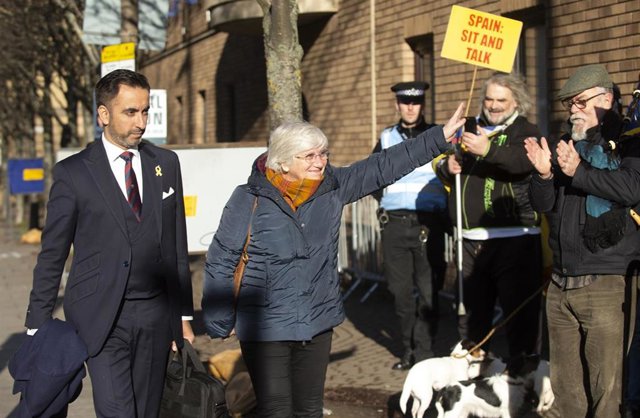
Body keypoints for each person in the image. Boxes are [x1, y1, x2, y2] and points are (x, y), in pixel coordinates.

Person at [202, 104, 466, 417]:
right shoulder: (249, 198)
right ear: (283, 162)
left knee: (310, 409)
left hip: (317, 321)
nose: (321, 162)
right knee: (276, 409)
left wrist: (438, 138)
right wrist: (220, 318)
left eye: (323, 153)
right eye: (310, 156)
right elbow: (221, 260)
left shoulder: (332, 187)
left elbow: (382, 166)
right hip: (265, 325)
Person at [24, 69, 195, 417]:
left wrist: (183, 318)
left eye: (145, 111)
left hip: (155, 315)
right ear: (103, 114)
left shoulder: (165, 163)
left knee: (148, 411)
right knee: (117, 411)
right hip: (101, 317)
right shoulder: (73, 173)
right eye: (130, 112)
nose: (141, 122)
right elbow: (53, 253)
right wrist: (37, 323)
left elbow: (176, 247)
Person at [525, 63, 640, 418]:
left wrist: (580, 172)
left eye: (579, 102)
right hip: (561, 282)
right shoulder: (565, 144)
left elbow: (632, 189)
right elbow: (544, 205)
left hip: (606, 281)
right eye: (568, 104)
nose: (572, 110)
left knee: (608, 396)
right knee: (567, 397)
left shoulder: (629, 140)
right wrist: (544, 174)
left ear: (606, 98)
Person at [435, 73, 543, 358]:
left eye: (501, 100)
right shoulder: (470, 128)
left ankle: (522, 382)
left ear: (517, 102)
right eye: (489, 99)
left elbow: (522, 162)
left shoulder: (527, 130)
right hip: (469, 240)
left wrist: (488, 150)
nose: (493, 106)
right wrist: (447, 167)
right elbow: (442, 162)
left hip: (514, 240)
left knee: (519, 320)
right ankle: (473, 382)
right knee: (471, 319)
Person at [372, 81, 448, 370]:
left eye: (415, 103)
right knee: (401, 294)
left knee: (429, 294)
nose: (410, 107)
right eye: (405, 102)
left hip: (429, 224)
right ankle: (408, 350)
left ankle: (425, 354)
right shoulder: (387, 137)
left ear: (423, 105)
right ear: (397, 105)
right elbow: (372, 174)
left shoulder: (438, 136)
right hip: (394, 225)